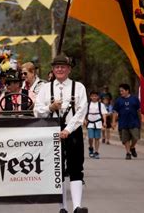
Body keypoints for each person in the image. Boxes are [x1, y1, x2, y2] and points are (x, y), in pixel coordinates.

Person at [34, 54, 88, 213]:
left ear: (69, 69)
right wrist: (50, 108)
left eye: (63, 66)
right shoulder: (45, 88)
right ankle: (62, 207)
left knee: (76, 166)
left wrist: (68, 130)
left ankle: (77, 206)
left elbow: (81, 111)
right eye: (57, 66)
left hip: (72, 131)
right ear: (52, 69)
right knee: (56, 170)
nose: (60, 69)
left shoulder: (79, 87)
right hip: (52, 130)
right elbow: (37, 111)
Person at [112, 83, 141, 160]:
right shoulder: (118, 100)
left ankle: (132, 147)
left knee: (136, 137)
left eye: (122, 91)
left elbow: (139, 110)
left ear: (127, 91)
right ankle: (128, 153)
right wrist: (114, 122)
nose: (121, 92)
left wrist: (142, 119)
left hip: (134, 122)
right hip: (123, 122)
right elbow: (115, 112)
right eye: (120, 91)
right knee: (125, 139)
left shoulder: (135, 99)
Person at [84, 91, 107, 159]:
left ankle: (96, 152)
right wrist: (84, 120)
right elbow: (84, 113)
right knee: (90, 137)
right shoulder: (87, 105)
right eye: (92, 96)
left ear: (98, 97)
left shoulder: (101, 105)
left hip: (98, 123)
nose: (94, 97)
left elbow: (104, 114)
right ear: (90, 97)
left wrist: (104, 122)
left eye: (95, 96)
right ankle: (91, 148)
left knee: (97, 138)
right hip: (90, 123)